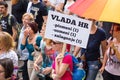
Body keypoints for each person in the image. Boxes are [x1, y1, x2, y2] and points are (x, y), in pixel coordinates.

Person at [17, 13, 34, 80]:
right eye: (23, 19)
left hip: (28, 56)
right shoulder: (22, 28)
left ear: (30, 21)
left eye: (26, 19)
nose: (24, 20)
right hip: (22, 56)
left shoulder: (31, 30)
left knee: (26, 75)